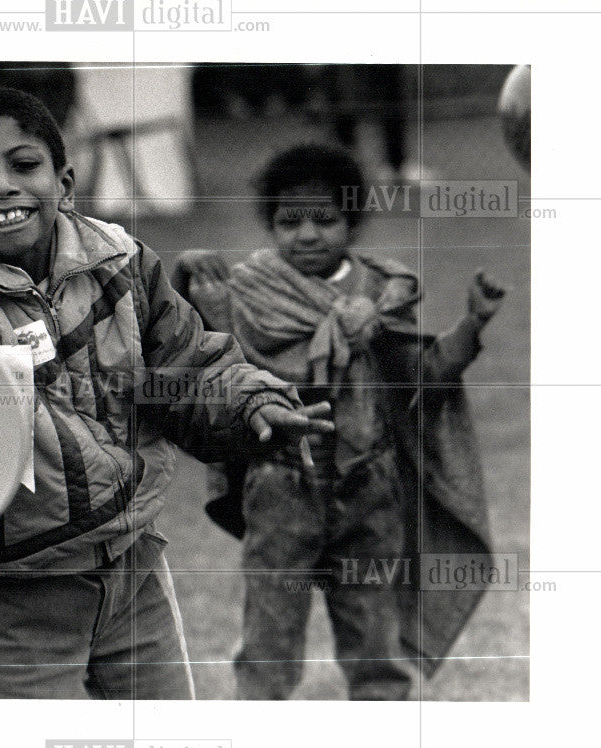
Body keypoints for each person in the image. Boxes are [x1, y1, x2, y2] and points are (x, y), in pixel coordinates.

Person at [0, 88, 333, 700]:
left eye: (24, 166)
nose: (1, 185)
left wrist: (252, 399)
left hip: (134, 569)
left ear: (66, 183)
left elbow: (188, 363)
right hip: (21, 593)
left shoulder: (122, 263)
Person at [173, 142, 506, 700]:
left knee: (376, 642)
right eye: (289, 221)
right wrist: (212, 309)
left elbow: (423, 374)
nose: (306, 235)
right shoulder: (247, 292)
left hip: (369, 491)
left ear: (352, 224)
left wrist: (472, 324)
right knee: (269, 643)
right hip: (281, 488)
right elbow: (225, 374)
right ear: (271, 225)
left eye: (324, 219)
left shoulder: (380, 297)